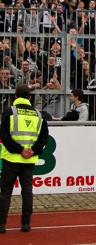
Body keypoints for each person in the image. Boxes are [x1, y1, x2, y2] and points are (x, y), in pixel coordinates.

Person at [0, 85, 50, 233]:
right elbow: (44, 138)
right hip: (29, 160)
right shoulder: (38, 114)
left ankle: (1, 225)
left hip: (11, 158)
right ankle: (26, 224)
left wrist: (19, 150)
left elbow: (4, 135)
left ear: (15, 97)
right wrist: (32, 151)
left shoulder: (10, 111)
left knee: (5, 191)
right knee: (27, 191)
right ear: (30, 98)